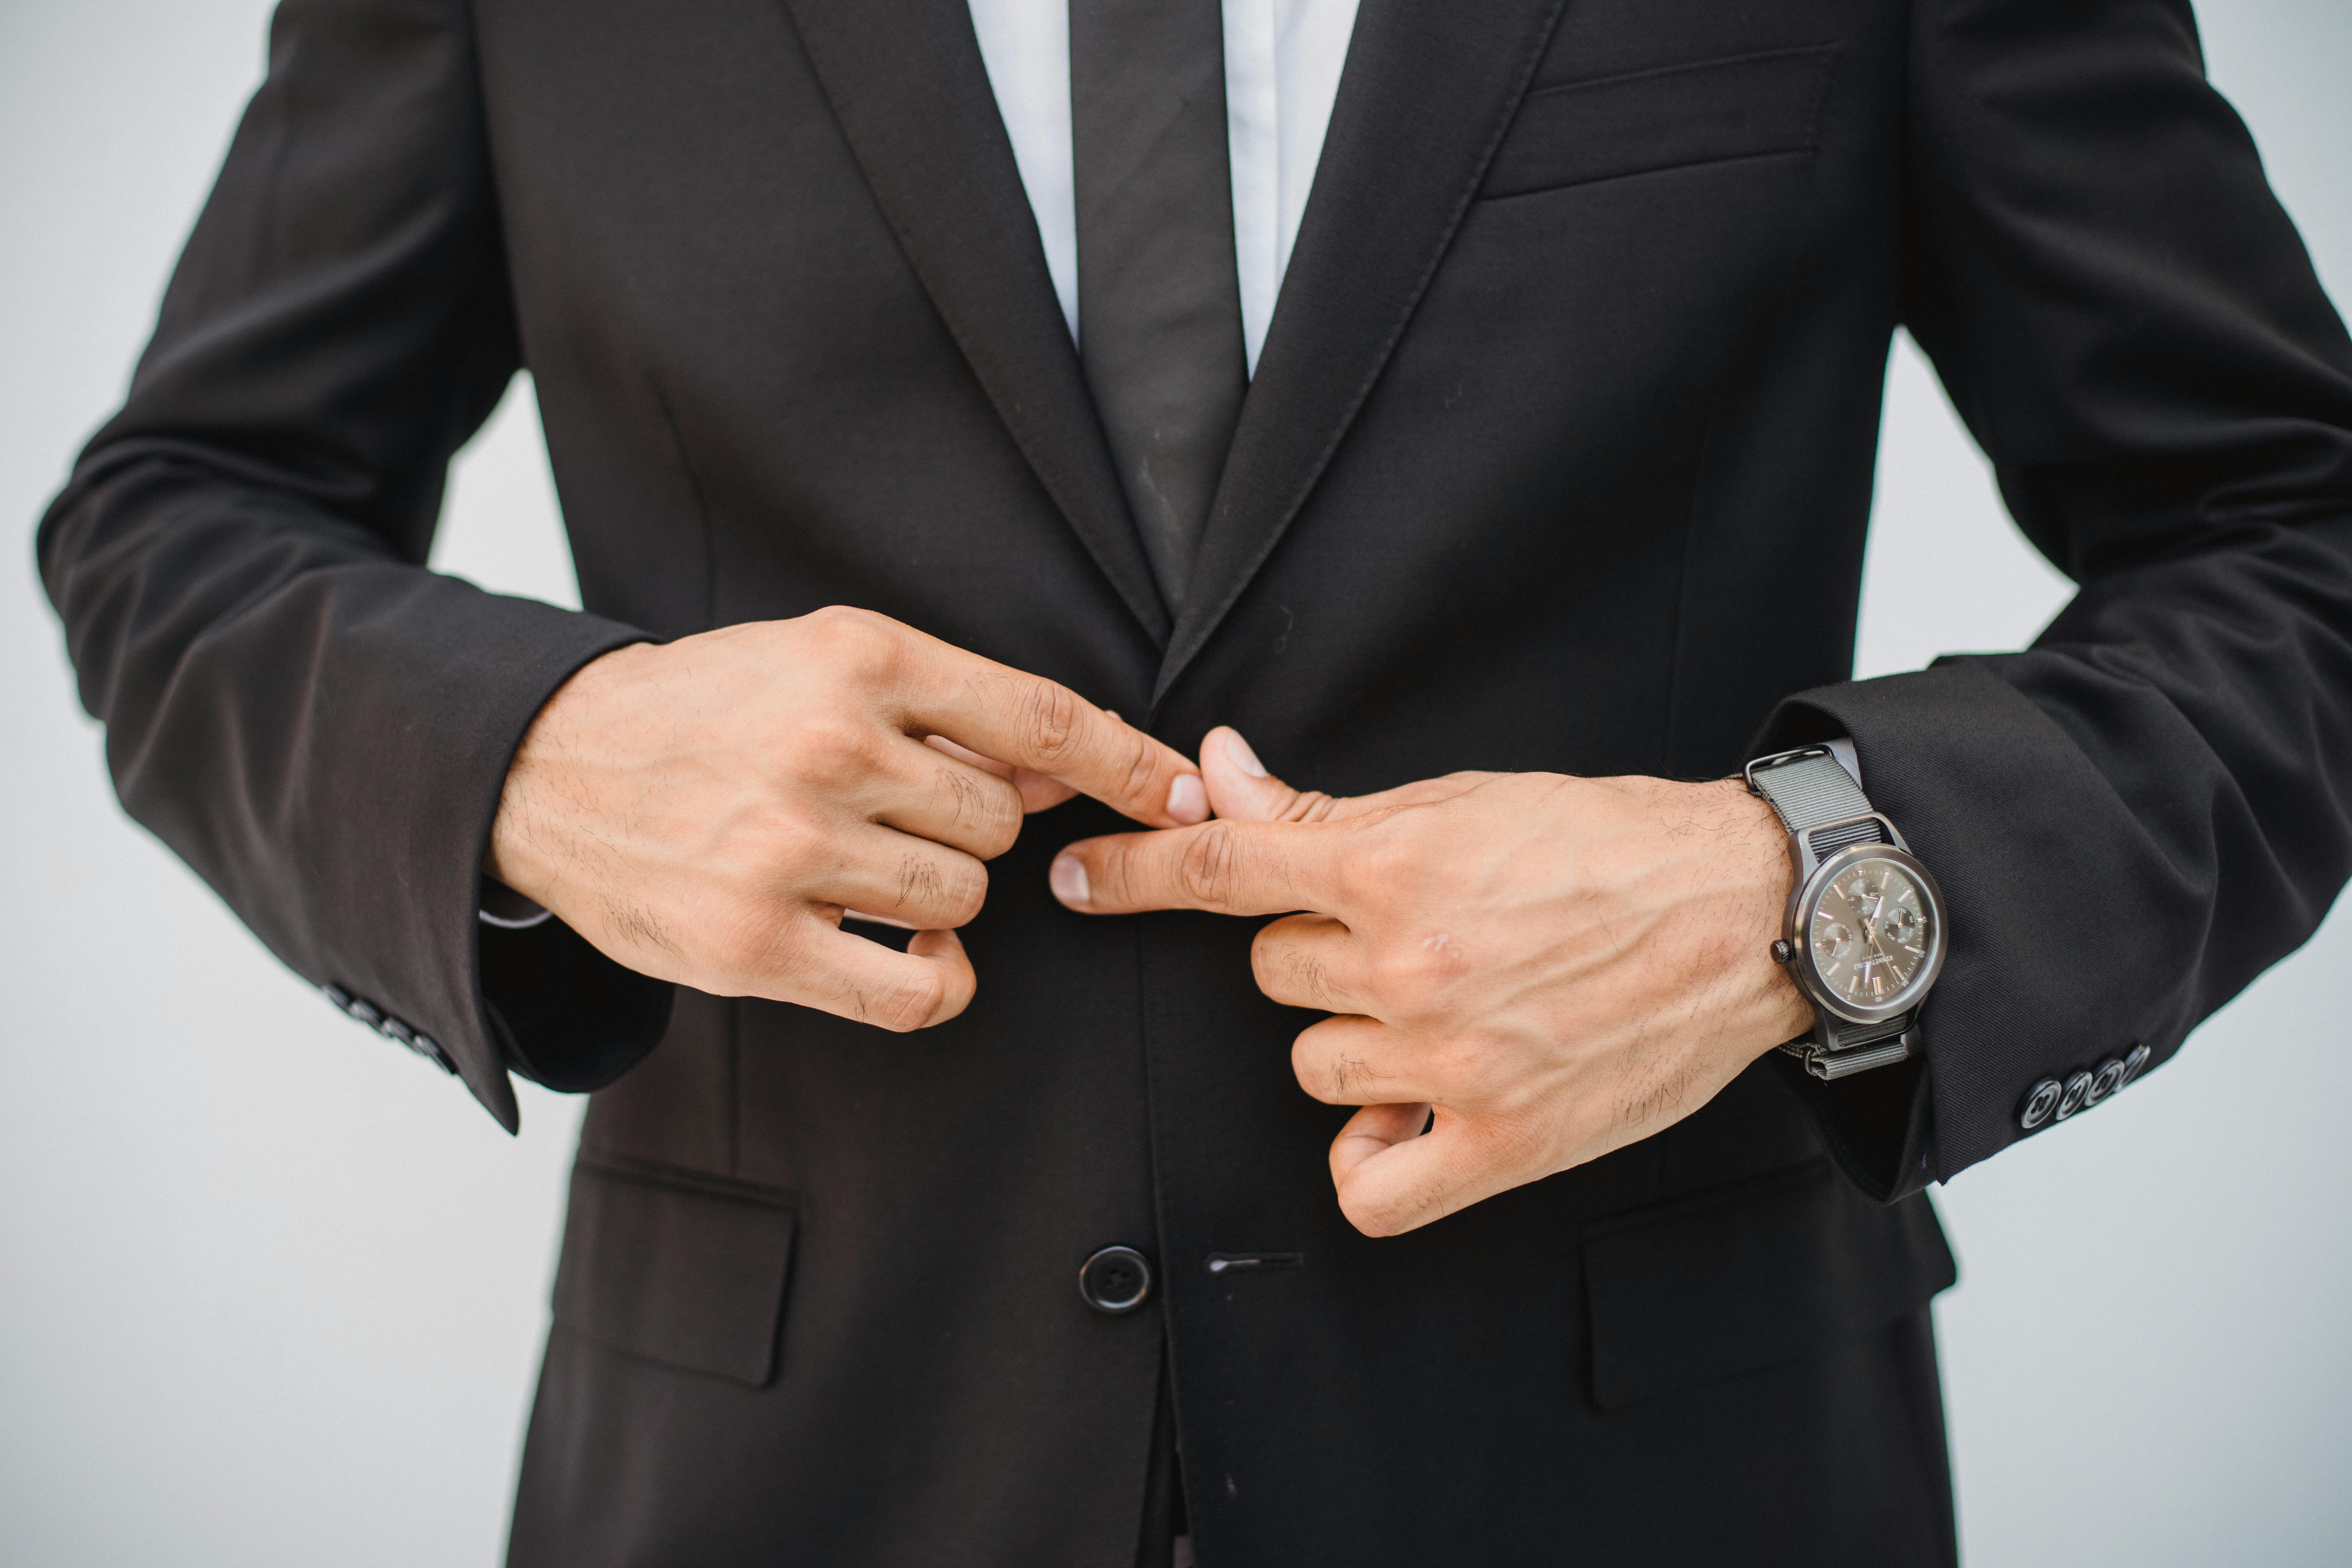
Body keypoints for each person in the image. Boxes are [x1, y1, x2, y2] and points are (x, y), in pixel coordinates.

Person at [36, 0, 2352, 1563]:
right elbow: (182, 518)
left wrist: (1800, 882)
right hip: (801, 1469)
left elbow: (2294, 536)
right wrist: (533, 758)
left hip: (1665, 1472)